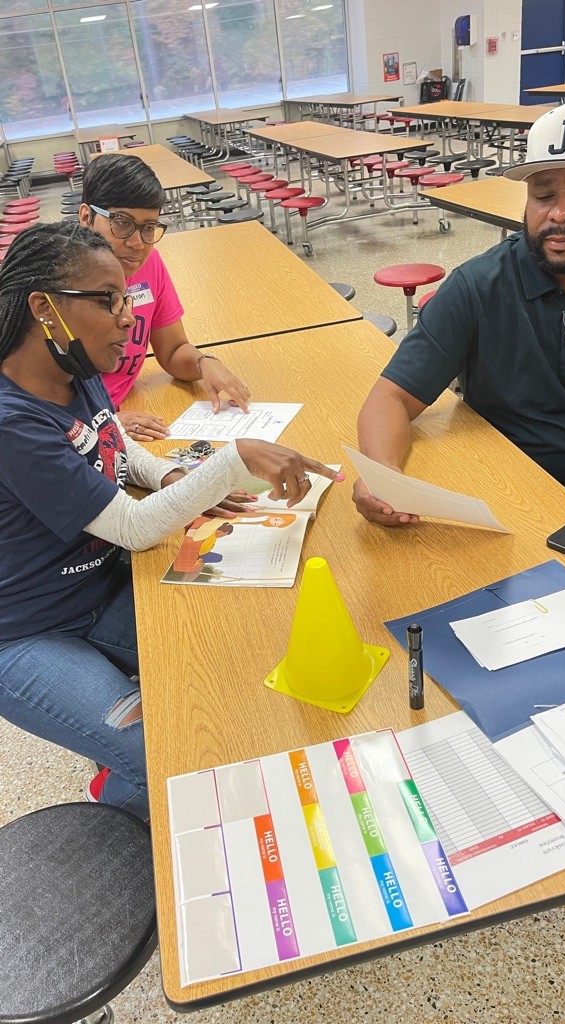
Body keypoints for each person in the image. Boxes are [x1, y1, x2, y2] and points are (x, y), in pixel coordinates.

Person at [0, 222, 343, 820]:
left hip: (104, 585)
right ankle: (122, 791)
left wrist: (169, 477)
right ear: (44, 309)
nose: (129, 315)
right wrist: (234, 460)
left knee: (231, 666)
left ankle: (131, 772)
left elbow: (111, 442)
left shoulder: (74, 369)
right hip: (28, 633)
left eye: (127, 295)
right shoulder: (12, 421)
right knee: (170, 755)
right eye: (108, 299)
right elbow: (133, 527)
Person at [354, 100, 565, 527]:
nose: (559, 212)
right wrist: (384, 476)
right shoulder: (479, 287)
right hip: (516, 496)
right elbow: (391, 398)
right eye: (543, 195)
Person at [78, 153, 251, 441]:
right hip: (76, 432)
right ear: (86, 217)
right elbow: (24, 401)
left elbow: (171, 351)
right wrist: (105, 423)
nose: (136, 243)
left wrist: (204, 362)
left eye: (148, 228)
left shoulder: (149, 265)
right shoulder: (59, 283)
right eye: (121, 222)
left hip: (128, 414)